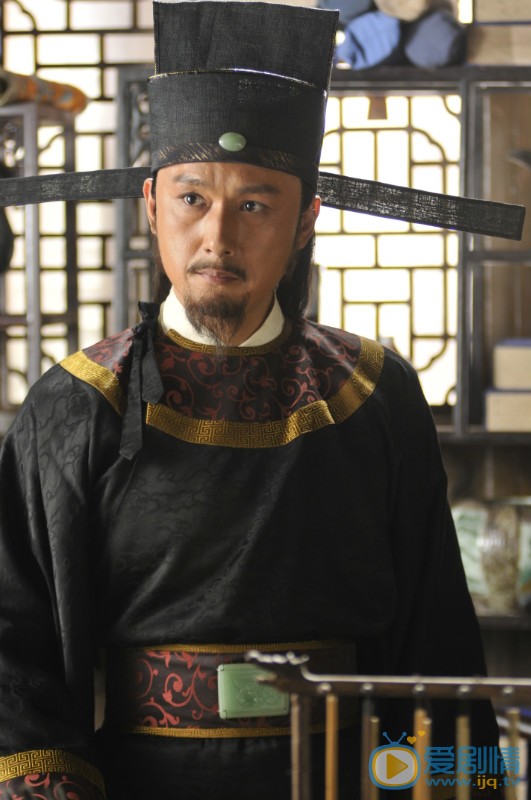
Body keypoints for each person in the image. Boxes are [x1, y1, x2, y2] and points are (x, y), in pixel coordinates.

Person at [0, 2, 509, 799]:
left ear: (305, 221)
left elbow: (434, 635)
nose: (218, 237)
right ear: (151, 206)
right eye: (192, 199)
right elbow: (15, 643)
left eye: (254, 205)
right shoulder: (75, 404)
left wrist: (450, 785)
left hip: (346, 778)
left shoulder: (373, 393)